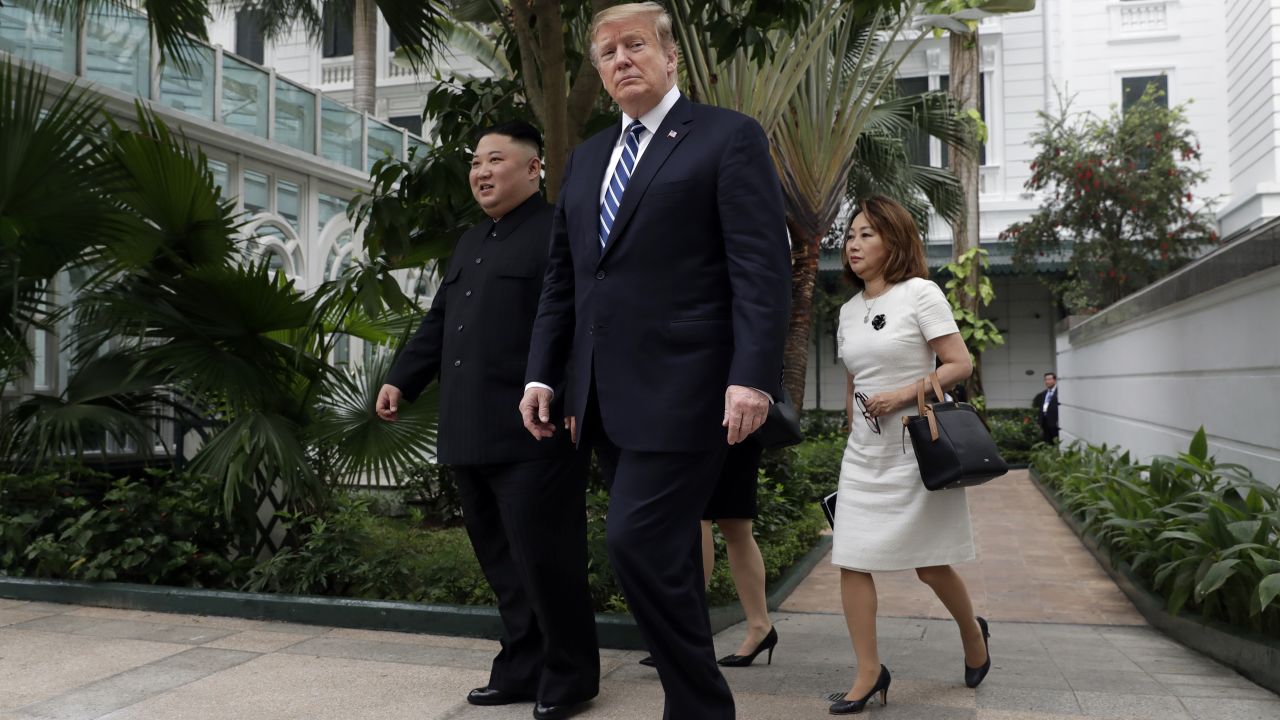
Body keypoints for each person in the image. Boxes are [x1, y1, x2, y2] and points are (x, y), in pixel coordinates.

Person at [518, 3, 791, 717]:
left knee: (634, 541)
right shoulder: (584, 162)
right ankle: (692, 704)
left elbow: (760, 269)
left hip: (692, 387)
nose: (620, 59)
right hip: (601, 395)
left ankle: (700, 705)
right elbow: (566, 279)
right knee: (664, 558)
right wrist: (544, 372)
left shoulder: (726, 138)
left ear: (671, 58)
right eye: (606, 52)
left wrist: (753, 375)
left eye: (635, 44)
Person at [376, 121, 599, 720]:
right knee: (502, 564)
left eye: (495, 160)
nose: (480, 172)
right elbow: (438, 321)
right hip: (469, 428)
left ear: (533, 169)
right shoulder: (472, 239)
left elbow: (580, 324)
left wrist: (574, 402)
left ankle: (571, 676)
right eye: (475, 162)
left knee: (548, 559)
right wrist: (402, 378)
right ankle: (522, 666)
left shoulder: (562, 230)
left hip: (536, 430)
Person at [830, 196, 991, 715]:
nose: (853, 244)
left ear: (894, 241)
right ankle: (869, 671)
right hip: (864, 454)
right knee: (851, 560)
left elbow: (959, 364)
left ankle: (973, 634)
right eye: (850, 235)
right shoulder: (847, 312)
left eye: (867, 235)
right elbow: (855, 381)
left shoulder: (920, 294)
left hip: (916, 448)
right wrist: (853, 427)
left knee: (929, 564)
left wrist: (901, 396)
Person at [638, 439, 777, 669]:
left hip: (731, 421)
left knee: (720, 519)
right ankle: (758, 626)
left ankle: (686, 633)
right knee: (724, 521)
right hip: (713, 423)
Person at [1032, 372, 1060, 443]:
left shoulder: (1060, 392)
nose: (1047, 381)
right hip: (1045, 424)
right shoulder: (1044, 394)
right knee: (1047, 443)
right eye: (1046, 380)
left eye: (1049, 379)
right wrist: (1039, 422)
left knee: (1057, 443)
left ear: (1054, 380)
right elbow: (1042, 409)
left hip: (1055, 424)